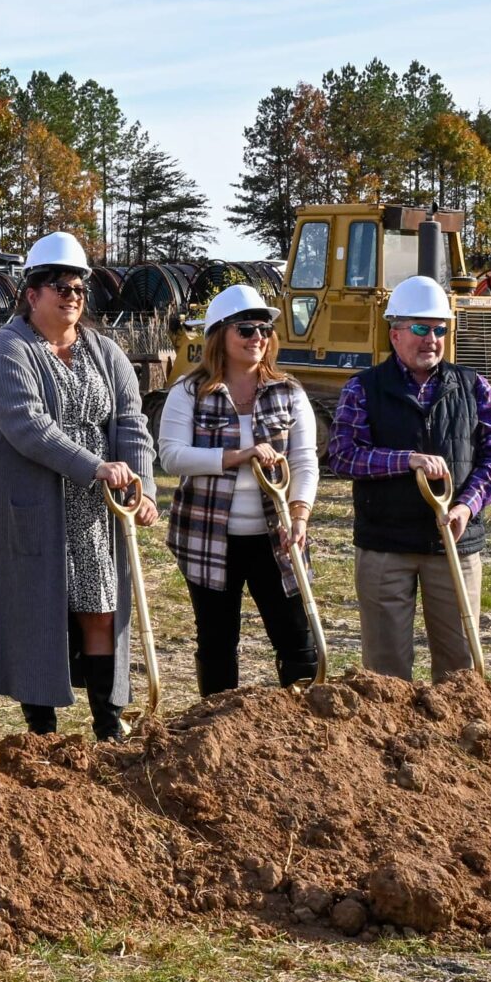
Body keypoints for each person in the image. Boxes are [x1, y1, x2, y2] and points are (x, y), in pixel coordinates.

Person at [0, 230, 157, 740]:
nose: (71, 295)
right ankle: (42, 733)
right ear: (32, 293)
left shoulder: (104, 351)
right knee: (36, 608)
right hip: (30, 500)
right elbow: (28, 426)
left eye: (78, 287)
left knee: (99, 604)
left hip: (95, 506)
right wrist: (94, 465)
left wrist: (143, 486)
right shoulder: (7, 350)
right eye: (59, 286)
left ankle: (107, 725)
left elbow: (131, 422)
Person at [324, 276, 491, 682]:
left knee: (460, 669)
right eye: (419, 328)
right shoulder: (364, 388)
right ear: (395, 333)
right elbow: (343, 454)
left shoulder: (472, 386)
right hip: (385, 545)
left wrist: (468, 504)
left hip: (454, 546)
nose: (431, 339)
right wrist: (407, 460)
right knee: (385, 672)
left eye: (439, 329)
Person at [157, 283, 320, 693]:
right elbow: (171, 456)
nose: (258, 338)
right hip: (209, 536)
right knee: (216, 641)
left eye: (264, 329)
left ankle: (303, 729)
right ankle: (215, 730)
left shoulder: (290, 393)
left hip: (276, 536)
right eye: (246, 329)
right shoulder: (189, 392)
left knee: (295, 639)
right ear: (220, 336)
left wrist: (299, 517)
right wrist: (236, 455)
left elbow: (304, 461)